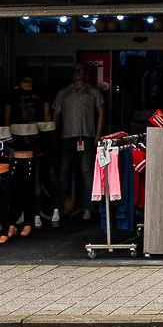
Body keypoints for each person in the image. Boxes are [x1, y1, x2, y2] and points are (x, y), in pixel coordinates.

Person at [52, 67, 105, 223]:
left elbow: (101, 112)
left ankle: (89, 208)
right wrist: (54, 135)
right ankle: (59, 208)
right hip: (67, 137)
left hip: (86, 136)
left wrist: (97, 135)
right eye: (75, 71)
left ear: (86, 74)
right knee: (63, 172)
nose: (78, 73)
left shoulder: (93, 92)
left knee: (87, 172)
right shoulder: (63, 93)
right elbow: (56, 114)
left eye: (81, 71)